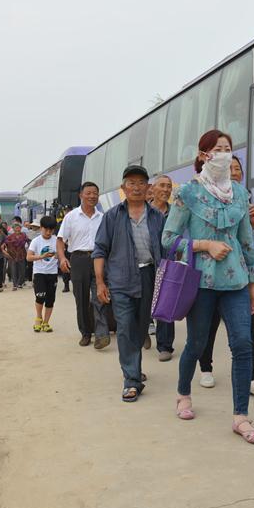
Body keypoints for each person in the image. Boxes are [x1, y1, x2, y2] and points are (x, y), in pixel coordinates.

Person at [162, 129, 254, 444]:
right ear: (204, 154)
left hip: (235, 282)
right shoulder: (187, 194)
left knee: (243, 345)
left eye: (228, 149)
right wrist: (204, 244)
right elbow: (168, 242)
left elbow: (247, 242)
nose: (223, 154)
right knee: (196, 343)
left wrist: (253, 284)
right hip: (200, 283)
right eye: (217, 149)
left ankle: (241, 417)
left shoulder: (240, 195)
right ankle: (183, 394)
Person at [198, 156, 254, 398]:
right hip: (212, 275)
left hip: (239, 274)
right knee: (208, 325)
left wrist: (252, 223)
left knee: (245, 332)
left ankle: (251, 377)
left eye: (238, 169)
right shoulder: (207, 198)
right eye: (230, 168)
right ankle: (205, 368)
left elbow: (245, 242)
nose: (235, 172)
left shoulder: (244, 198)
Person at [93, 165, 165, 402]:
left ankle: (134, 368)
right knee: (124, 328)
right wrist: (101, 282)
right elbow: (100, 250)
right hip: (121, 280)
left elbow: (167, 248)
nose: (136, 187)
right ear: (123, 188)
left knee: (142, 327)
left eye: (141, 182)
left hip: (149, 278)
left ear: (148, 187)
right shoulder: (112, 216)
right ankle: (131, 380)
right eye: (131, 183)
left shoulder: (157, 217)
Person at [57, 182, 109, 349]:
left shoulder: (102, 218)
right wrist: (63, 258)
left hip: (98, 259)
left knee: (99, 296)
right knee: (81, 298)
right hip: (78, 260)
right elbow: (60, 240)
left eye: (95, 193)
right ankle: (86, 333)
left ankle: (101, 334)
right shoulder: (71, 217)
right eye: (88, 193)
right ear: (81, 195)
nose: (92, 196)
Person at [149, 174, 175, 361]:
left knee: (167, 302)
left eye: (169, 186)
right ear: (153, 188)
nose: (166, 190)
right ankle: (143, 330)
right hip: (146, 263)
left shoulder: (176, 212)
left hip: (169, 264)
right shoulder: (145, 212)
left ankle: (165, 345)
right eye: (162, 186)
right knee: (143, 303)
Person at [28, 216, 60, 332]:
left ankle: (46, 323)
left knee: (50, 299)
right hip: (39, 273)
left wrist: (58, 256)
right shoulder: (36, 241)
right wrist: (41, 256)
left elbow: (61, 254)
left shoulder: (57, 240)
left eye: (51, 230)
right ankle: (38, 317)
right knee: (40, 296)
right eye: (46, 229)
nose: (48, 232)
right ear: (41, 228)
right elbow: (29, 257)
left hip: (52, 273)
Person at [4, 220, 29, 290]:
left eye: (19, 228)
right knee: (14, 270)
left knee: (23, 270)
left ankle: (20, 283)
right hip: (13, 255)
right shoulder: (10, 236)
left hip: (22, 254)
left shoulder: (24, 235)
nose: (18, 229)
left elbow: (28, 241)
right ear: (13, 229)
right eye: (16, 228)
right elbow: (6, 243)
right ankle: (15, 284)